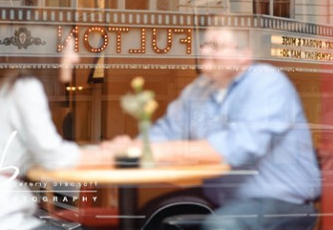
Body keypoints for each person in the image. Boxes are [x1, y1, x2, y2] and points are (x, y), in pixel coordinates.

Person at [106, 18, 321, 229]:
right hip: (228, 199)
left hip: (283, 203)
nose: (206, 52)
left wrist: (158, 150)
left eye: (216, 46)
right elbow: (166, 132)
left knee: (222, 225)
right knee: (151, 215)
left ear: (244, 55)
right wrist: (131, 148)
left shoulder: (267, 82)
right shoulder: (198, 90)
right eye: (205, 44)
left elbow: (239, 147)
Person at [0, 40, 109, 230]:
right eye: (71, 50)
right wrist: (106, 153)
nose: (76, 58)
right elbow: (52, 154)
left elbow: (45, 152)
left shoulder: (16, 87)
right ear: (50, 54)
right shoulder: (27, 88)